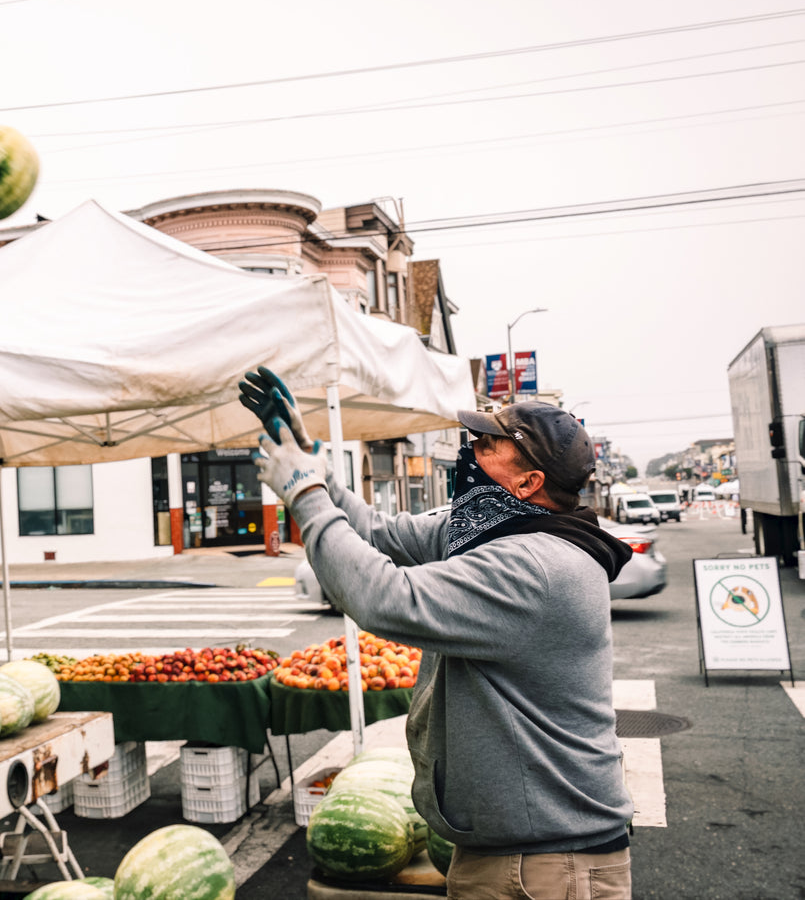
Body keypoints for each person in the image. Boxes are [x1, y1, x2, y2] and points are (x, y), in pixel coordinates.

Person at [240, 367, 634, 900]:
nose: (471, 451)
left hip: (543, 865)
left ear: (528, 482)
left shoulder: (535, 564)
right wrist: (316, 464)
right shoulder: (493, 531)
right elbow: (379, 533)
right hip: (521, 851)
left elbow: (383, 598)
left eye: (489, 444)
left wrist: (304, 493)